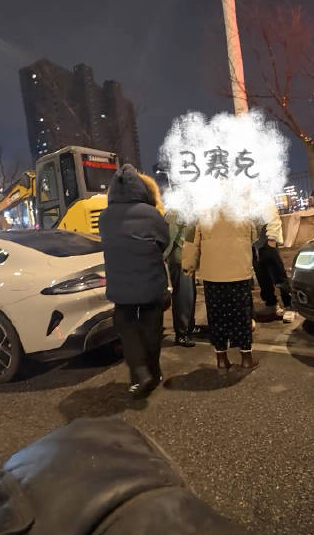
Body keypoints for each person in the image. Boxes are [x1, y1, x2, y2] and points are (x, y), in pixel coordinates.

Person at [99, 164, 169, 398]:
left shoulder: (105, 216)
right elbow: (164, 241)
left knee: (126, 327)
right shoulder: (152, 214)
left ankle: (139, 372)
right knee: (152, 328)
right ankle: (154, 372)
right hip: (151, 279)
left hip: (120, 284)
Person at [183, 212, 258, 371]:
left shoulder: (201, 212)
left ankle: (222, 359)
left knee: (217, 317)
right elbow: (254, 235)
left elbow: (191, 241)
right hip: (239, 272)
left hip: (213, 275)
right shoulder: (242, 209)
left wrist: (188, 266)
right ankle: (246, 359)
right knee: (242, 316)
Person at [253, 203, 295, 324]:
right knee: (262, 278)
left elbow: (272, 217)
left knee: (278, 275)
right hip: (254, 245)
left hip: (267, 242)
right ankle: (271, 305)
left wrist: (271, 240)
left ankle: (289, 306)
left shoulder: (261, 197)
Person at [164, 210, 197, 347]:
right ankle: (182, 333)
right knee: (183, 297)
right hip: (180, 260)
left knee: (190, 296)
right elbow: (168, 238)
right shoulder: (174, 212)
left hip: (188, 259)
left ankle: (189, 327)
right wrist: (162, 257)